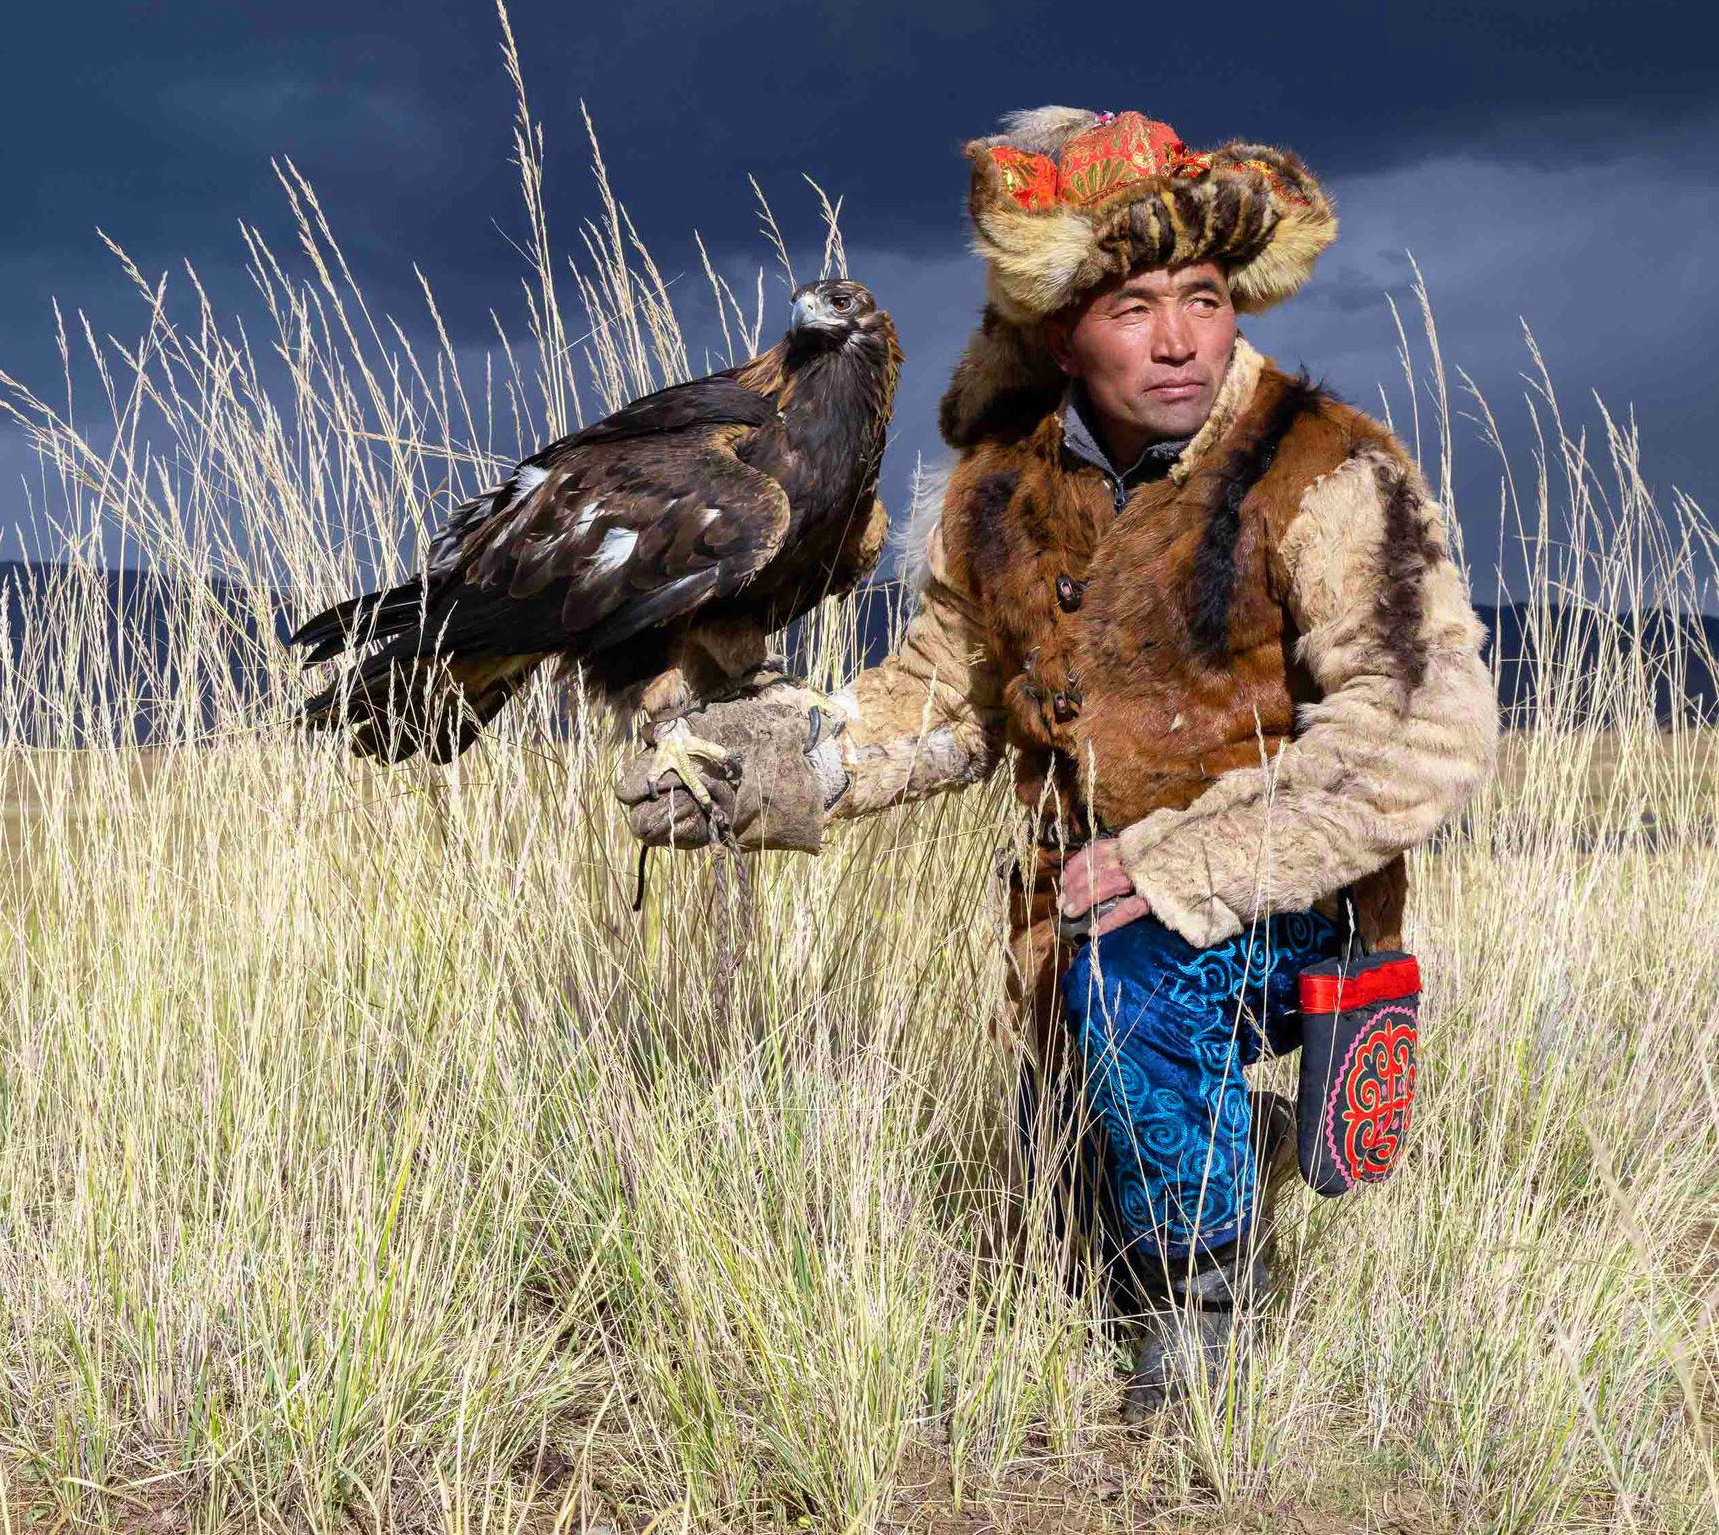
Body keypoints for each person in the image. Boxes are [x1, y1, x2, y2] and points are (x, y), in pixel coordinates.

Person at [616, 107, 1498, 1418]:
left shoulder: (1330, 469)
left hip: (1294, 911)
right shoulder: (998, 493)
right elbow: (944, 701)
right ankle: (1204, 1145)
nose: (1183, 338)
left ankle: (1207, 1313)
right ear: (1057, 325)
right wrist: (765, 770)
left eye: (1204, 296)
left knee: (1139, 1002)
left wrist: (1186, 865)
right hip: (1075, 925)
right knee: (1075, 1161)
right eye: (1135, 303)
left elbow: (1427, 730)